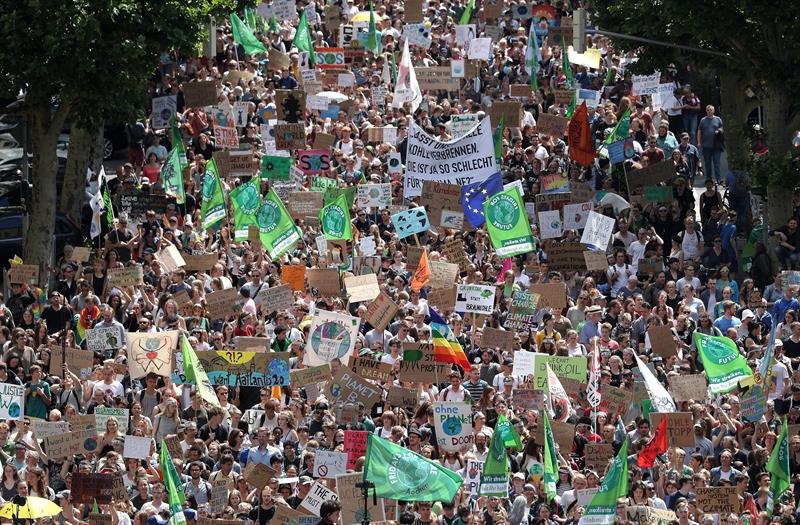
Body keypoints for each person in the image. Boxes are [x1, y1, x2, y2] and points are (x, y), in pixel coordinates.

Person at [697, 105, 724, 183]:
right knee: (707, 164)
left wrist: (718, 130)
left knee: (717, 164)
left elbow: (722, 128)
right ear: (706, 111)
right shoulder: (703, 120)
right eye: (708, 110)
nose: (709, 111)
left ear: (714, 111)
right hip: (706, 146)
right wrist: (698, 142)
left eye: (711, 110)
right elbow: (699, 131)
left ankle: (718, 179)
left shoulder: (718, 119)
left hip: (716, 146)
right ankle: (709, 179)